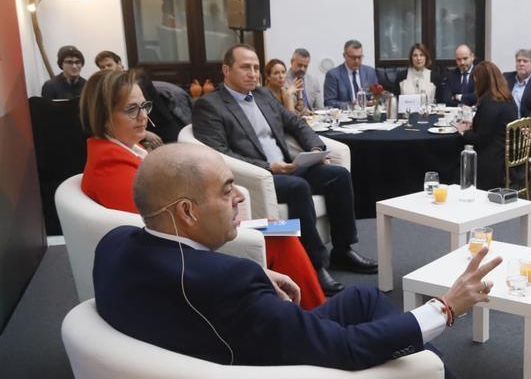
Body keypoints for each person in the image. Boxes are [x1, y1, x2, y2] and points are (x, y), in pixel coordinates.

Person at [93, 142, 531, 379]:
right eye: (227, 189)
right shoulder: (224, 284)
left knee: (365, 302)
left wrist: (256, 273)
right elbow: (343, 351)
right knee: (376, 335)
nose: (239, 197)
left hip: (209, 360)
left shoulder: (115, 246)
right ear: (188, 212)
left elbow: (187, 271)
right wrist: (445, 307)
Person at [78, 68, 328, 309]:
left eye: (144, 106)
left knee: (277, 226)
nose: (143, 116)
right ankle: (317, 315)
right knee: (280, 235)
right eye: (131, 109)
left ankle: (312, 307)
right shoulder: (111, 165)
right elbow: (158, 234)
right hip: (184, 254)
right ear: (104, 117)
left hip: (192, 230)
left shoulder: (122, 150)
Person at [193, 44, 377, 296]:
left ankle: (343, 250)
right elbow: (221, 154)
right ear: (226, 70)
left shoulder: (264, 95)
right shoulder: (210, 105)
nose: (253, 73)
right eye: (245, 67)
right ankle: (314, 263)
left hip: (289, 167)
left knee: (338, 175)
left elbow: (296, 122)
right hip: (258, 176)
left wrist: (315, 149)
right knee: (298, 188)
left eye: (256, 68)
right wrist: (269, 167)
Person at [94, 49, 180, 144]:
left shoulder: (136, 79)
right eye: (102, 67)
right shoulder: (105, 88)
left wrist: (146, 133)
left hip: (159, 123)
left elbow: (148, 110)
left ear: (119, 64)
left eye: (109, 65)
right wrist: (145, 134)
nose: (106, 69)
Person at [457, 61, 518, 191]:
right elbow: (493, 126)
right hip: (508, 156)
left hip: (491, 160)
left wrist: (463, 132)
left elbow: (480, 139)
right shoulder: (508, 98)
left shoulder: (489, 102)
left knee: (454, 155)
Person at [323, 39, 380, 109]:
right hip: (345, 116)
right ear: (344, 55)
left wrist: (373, 101)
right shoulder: (333, 75)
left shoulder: (370, 72)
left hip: (367, 114)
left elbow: (377, 95)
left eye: (359, 57)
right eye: (353, 58)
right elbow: (329, 102)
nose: (357, 61)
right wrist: (351, 105)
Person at [399, 42, 442, 108]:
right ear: (411, 58)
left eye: (422, 55)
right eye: (415, 55)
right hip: (406, 116)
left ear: (426, 57)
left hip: (428, 116)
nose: (418, 58)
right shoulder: (401, 76)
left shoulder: (435, 77)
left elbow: (438, 102)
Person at [502, 48, 531, 118]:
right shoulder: (506, 78)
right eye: (518, 61)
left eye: (525, 61)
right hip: (504, 123)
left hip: (524, 126)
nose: (521, 64)